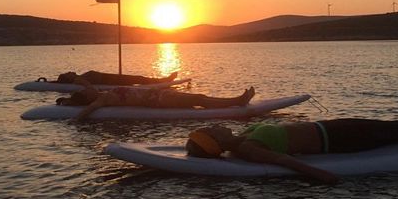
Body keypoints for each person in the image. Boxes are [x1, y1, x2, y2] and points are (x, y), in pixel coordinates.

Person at [186, 110, 398, 184]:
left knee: (396, 127)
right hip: (338, 141)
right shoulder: (249, 148)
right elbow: (287, 161)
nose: (215, 123)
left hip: (331, 128)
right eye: (211, 128)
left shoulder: (244, 135)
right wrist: (324, 177)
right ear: (216, 141)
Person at [57, 86, 256, 122]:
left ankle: (237, 100)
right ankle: (238, 101)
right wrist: (74, 120)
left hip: (159, 95)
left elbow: (84, 85)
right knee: (199, 99)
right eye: (85, 92)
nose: (87, 89)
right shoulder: (102, 99)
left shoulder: (100, 93)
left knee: (198, 98)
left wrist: (66, 101)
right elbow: (88, 110)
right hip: (159, 101)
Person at [53, 70, 178, 87]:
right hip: (109, 81)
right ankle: (163, 81)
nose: (70, 71)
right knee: (138, 79)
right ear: (68, 78)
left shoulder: (79, 77)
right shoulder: (77, 80)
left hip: (109, 78)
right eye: (67, 73)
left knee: (138, 78)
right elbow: (86, 84)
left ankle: (162, 80)